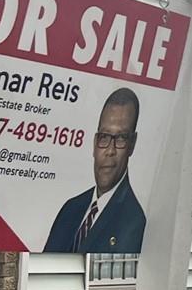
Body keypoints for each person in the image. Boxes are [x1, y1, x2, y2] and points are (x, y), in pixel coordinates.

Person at [44, 87, 147, 254]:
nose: (110, 150)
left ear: (132, 145)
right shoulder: (70, 209)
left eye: (120, 138)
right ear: (94, 143)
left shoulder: (134, 221)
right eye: (104, 137)